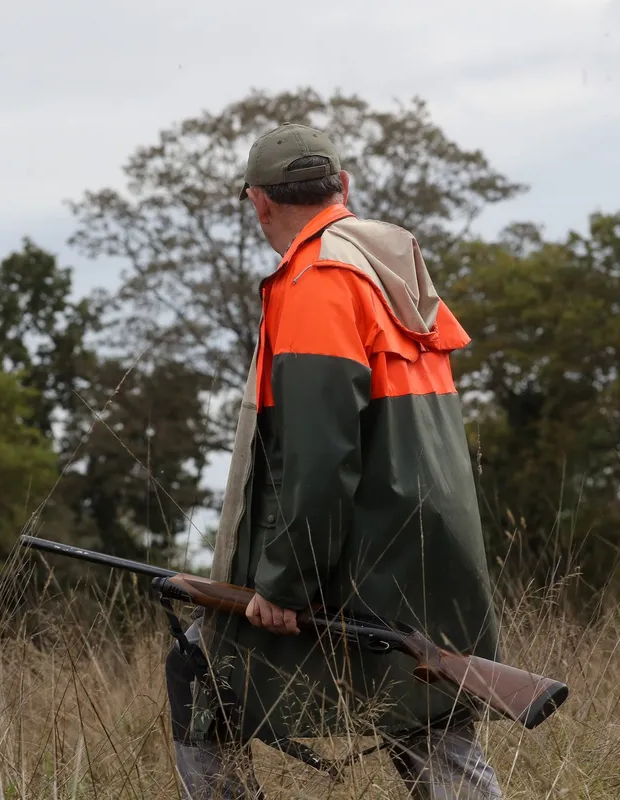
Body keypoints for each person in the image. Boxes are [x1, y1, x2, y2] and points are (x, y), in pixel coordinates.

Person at [164, 122, 504, 799]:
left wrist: (284, 586)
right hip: (427, 550)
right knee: (431, 724)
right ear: (342, 188)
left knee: (199, 674)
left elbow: (320, 460)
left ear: (259, 202)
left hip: (363, 563)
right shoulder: (387, 267)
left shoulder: (318, 280)